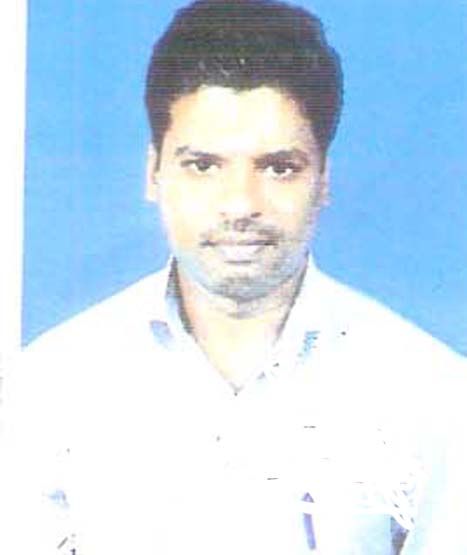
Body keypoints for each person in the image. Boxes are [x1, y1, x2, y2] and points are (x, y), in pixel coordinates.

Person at [2, 0, 467, 553]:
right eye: (203, 166)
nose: (240, 204)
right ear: (153, 172)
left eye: (279, 168)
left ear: (323, 180)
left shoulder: (433, 397)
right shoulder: (48, 389)